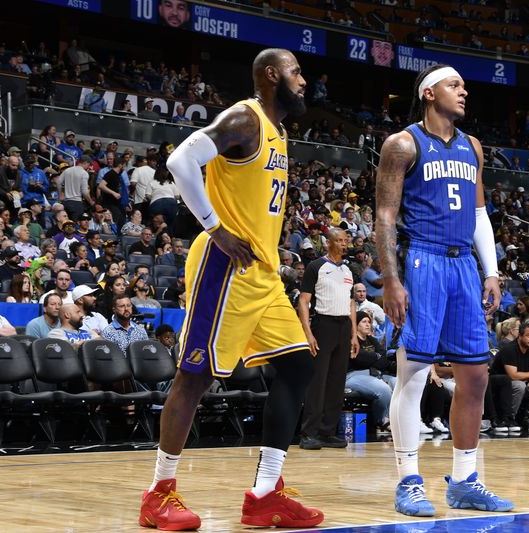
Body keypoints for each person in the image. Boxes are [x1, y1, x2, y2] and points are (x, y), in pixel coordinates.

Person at [141, 48, 323, 530]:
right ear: (271, 75)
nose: (303, 80)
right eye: (296, 72)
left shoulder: (280, 133)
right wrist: (214, 226)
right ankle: (159, 493)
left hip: (261, 274)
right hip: (224, 265)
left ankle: (265, 493)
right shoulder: (246, 117)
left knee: (299, 364)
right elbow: (181, 160)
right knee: (195, 376)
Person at [375, 63, 514, 517]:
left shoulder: (472, 146)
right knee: (413, 372)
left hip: (463, 265)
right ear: (429, 92)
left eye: (464, 85)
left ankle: (466, 480)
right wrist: (391, 278)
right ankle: (408, 480)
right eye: (455, 85)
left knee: (474, 375)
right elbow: (385, 218)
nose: (464, 92)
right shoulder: (402, 143)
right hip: (422, 259)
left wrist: (490, 271)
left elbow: (478, 216)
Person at [297, 228, 359, 449]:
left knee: (337, 381)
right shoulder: (316, 267)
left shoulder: (348, 269)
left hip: (343, 326)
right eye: (340, 240)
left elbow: (352, 303)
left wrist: (354, 334)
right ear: (328, 243)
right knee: (318, 381)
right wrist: (308, 332)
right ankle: (309, 433)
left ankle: (327, 431)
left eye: (346, 240)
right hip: (323, 324)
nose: (344, 244)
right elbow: (303, 301)